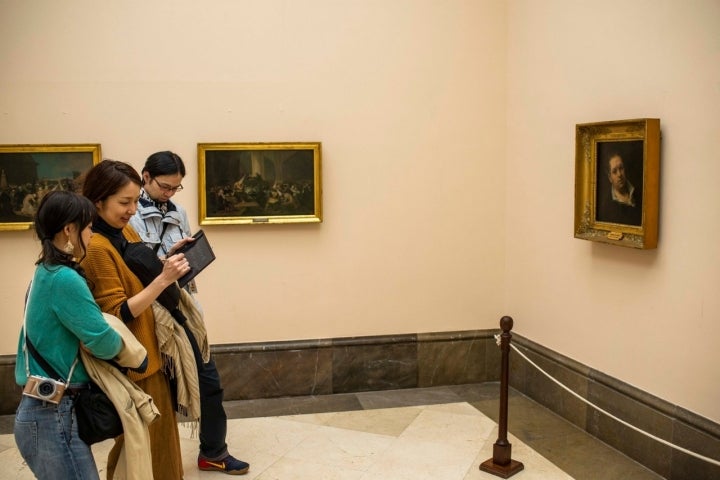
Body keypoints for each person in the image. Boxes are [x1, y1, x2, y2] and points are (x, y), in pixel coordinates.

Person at [130, 150, 250, 475]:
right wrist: (165, 258)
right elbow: (134, 270)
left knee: (209, 381)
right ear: (146, 177)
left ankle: (213, 452)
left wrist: (189, 257)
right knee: (158, 392)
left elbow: (180, 266)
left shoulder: (178, 211)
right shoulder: (130, 216)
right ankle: (154, 460)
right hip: (149, 314)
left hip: (183, 307)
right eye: (165, 186)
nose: (169, 193)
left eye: (176, 188)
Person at [79, 160, 193, 480]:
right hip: (132, 365)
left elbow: (138, 271)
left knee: (160, 443)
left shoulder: (121, 229)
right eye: (124, 203)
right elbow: (116, 315)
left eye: (134, 200)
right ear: (98, 201)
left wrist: (166, 262)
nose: (132, 210)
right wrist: (163, 280)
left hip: (150, 356)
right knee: (137, 450)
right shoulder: (97, 248)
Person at [14, 190, 124, 479]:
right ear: (68, 230)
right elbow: (105, 342)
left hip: (44, 409)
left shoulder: (44, 271)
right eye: (88, 228)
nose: (91, 236)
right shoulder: (65, 279)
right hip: (52, 414)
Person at [596, 152, 642, 226]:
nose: (619, 174)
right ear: (610, 178)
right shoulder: (606, 207)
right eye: (614, 171)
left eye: (621, 168)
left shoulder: (639, 192)